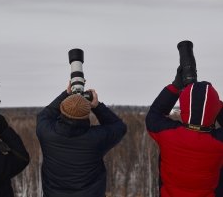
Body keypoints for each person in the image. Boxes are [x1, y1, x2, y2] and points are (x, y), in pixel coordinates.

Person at [36, 82, 127, 197]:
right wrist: (97, 106)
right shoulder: (96, 138)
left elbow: (44, 115)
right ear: (86, 115)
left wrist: (66, 94)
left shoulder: (46, 133)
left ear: (62, 110)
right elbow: (119, 127)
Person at [146, 67, 223, 197]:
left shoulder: (168, 134)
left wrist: (175, 86)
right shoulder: (218, 143)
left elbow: (153, 116)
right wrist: (214, 104)